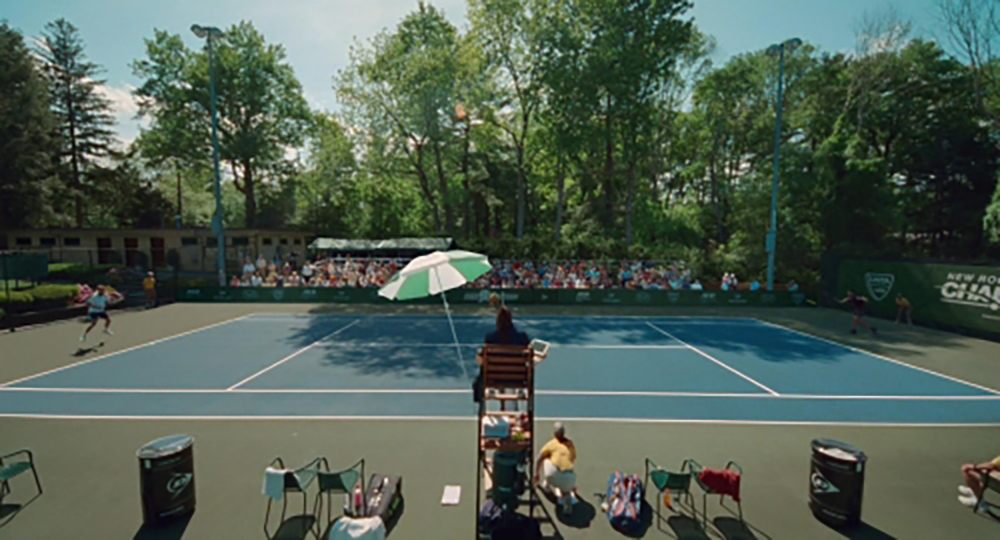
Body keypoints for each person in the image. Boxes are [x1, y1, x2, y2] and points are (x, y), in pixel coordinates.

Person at [474, 308, 531, 405]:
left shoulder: (490, 338)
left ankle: (480, 402)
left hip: (493, 378)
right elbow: (530, 357)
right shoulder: (522, 337)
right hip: (518, 379)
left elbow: (480, 360)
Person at [536, 422, 578, 514]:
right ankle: (566, 495)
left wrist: (537, 474)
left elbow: (539, 459)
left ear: (555, 434)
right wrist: (572, 485)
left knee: (546, 458)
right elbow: (572, 460)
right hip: (569, 480)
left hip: (553, 476)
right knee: (566, 486)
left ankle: (547, 485)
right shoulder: (570, 444)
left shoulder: (551, 444)